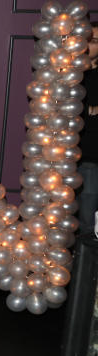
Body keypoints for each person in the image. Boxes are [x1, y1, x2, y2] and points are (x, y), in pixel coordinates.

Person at [79, 24, 98, 236]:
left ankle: (87, 269)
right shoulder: (72, 73)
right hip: (63, 159)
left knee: (88, 220)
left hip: (92, 158)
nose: (87, 45)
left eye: (93, 41)